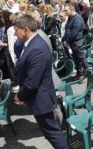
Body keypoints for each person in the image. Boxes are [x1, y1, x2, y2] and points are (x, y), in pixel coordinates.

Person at [13, 14, 69, 149]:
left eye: (16, 30)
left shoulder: (36, 47)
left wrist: (19, 95)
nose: (15, 34)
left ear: (25, 28)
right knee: (52, 132)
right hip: (39, 98)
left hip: (41, 99)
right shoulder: (33, 43)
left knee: (53, 133)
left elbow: (33, 82)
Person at [62, 4, 89, 79]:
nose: (65, 12)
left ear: (72, 10)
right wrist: (63, 39)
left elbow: (75, 32)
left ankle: (87, 75)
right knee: (76, 59)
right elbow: (68, 30)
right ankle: (79, 73)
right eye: (64, 10)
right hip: (72, 42)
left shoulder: (77, 18)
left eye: (66, 10)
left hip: (77, 41)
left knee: (81, 58)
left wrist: (67, 40)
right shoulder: (70, 17)